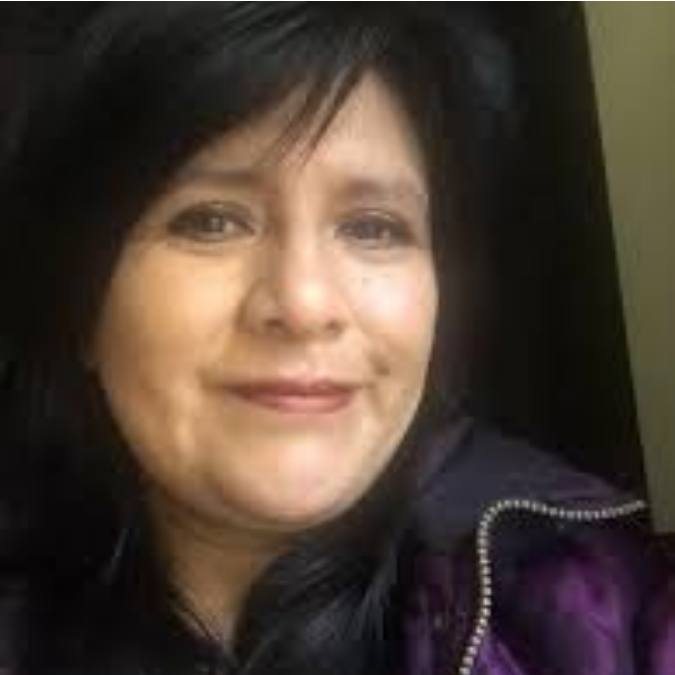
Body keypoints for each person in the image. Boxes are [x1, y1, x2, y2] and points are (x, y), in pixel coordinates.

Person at [0, 4, 672, 675]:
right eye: (211, 221)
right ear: (81, 302)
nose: (304, 304)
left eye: (373, 227)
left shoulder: (607, 607)